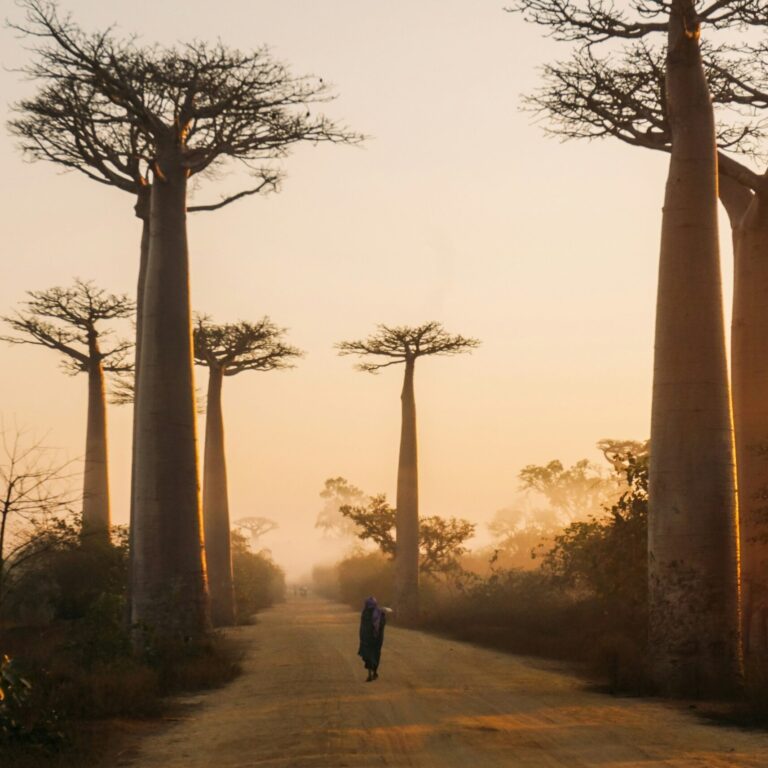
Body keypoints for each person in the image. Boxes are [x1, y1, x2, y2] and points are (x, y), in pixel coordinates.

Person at [358, 596, 386, 682]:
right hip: (377, 639)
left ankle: (370, 673)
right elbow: (382, 625)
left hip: (367, 638)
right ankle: (374, 672)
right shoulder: (379, 613)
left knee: (368, 655)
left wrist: (362, 637)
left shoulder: (365, 613)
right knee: (376, 654)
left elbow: (362, 627)